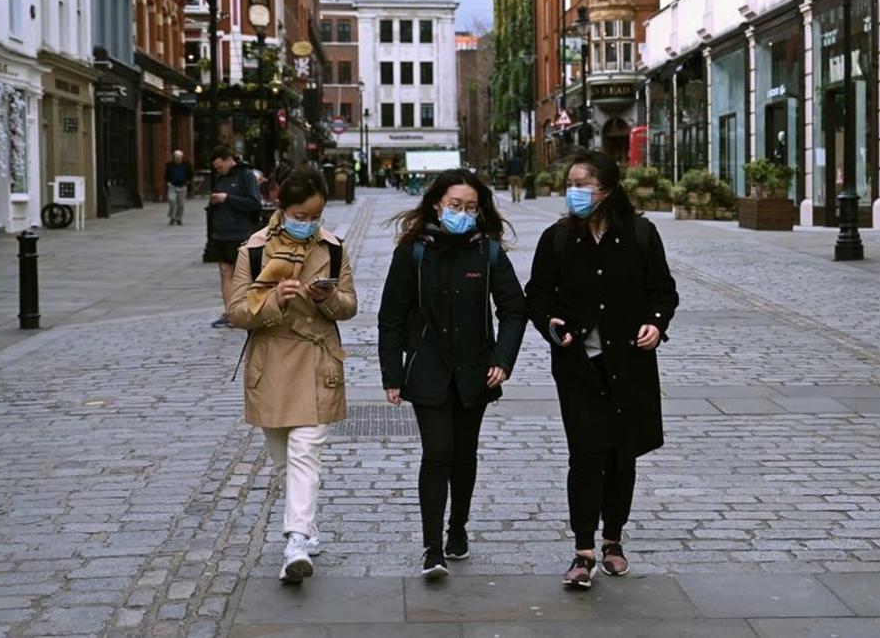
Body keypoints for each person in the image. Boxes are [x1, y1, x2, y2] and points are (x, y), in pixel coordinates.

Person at [524, 150, 679, 590]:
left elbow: (663, 291)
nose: (572, 192)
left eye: (581, 184)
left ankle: (613, 540)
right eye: (569, 184)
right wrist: (551, 324)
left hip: (629, 362)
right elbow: (537, 295)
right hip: (579, 367)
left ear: (606, 190)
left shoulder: (641, 234)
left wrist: (656, 323)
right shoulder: (557, 238)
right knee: (586, 454)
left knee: (622, 455)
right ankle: (583, 549)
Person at [377, 169, 527, 578]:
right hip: (428, 368)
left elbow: (514, 308)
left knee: (464, 454)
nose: (462, 213)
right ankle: (433, 548)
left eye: (471, 207)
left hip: (475, 370)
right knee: (437, 453)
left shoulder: (488, 250)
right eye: (455, 205)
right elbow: (390, 315)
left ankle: (457, 527)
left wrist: (503, 358)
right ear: (437, 203)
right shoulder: (414, 250)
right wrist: (392, 372)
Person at [227, 166, 358, 584]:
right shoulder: (253, 249)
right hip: (271, 363)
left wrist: (329, 297)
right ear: (281, 209)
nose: (309, 223)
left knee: (306, 453)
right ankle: (308, 525)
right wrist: (273, 303)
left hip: (318, 361)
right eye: (301, 215)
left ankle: (296, 541)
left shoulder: (334, 247)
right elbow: (235, 312)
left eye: (316, 214)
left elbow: (350, 305)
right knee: (285, 461)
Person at [207, 146, 262, 329]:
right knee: (224, 271)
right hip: (221, 232)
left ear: (229, 160)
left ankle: (242, 311)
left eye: (220, 167)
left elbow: (254, 204)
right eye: (216, 168)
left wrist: (227, 198)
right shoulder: (221, 178)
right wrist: (215, 201)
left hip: (239, 232)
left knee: (241, 274)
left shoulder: (246, 176)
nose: (218, 171)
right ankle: (229, 312)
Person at [165, 150, 194, 226]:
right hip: (172, 186)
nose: (177, 159)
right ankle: (172, 217)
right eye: (176, 157)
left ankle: (178, 218)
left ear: (182, 157)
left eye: (179, 157)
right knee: (172, 201)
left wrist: (188, 181)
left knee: (181, 204)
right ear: (174, 157)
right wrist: (168, 181)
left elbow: (190, 173)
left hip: (183, 186)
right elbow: (166, 174)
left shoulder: (186, 165)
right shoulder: (169, 165)